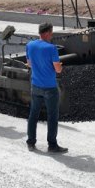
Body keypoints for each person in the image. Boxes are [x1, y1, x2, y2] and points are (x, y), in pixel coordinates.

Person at [25, 22, 67, 153]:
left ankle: (31, 142)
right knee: (52, 116)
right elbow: (58, 69)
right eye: (51, 32)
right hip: (49, 87)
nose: (52, 35)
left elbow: (30, 64)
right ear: (47, 32)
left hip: (35, 85)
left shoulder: (30, 45)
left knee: (33, 114)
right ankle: (52, 145)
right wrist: (60, 66)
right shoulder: (51, 48)